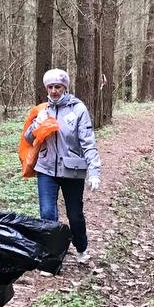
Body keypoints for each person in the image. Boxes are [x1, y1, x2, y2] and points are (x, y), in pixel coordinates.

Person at [23, 69, 101, 263]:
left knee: (75, 215)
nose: (54, 91)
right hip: (46, 168)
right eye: (50, 87)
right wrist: (36, 125)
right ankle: (53, 256)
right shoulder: (42, 110)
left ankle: (81, 248)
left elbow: (88, 142)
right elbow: (28, 137)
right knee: (47, 213)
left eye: (58, 87)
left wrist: (94, 172)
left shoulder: (78, 109)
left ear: (65, 88)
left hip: (72, 170)